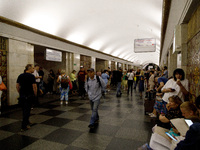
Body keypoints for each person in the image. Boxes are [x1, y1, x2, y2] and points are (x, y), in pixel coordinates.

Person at [16, 64, 37, 131]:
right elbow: (34, 86)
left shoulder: (20, 75)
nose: (34, 69)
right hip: (29, 95)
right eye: (33, 68)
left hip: (22, 95)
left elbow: (17, 86)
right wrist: (35, 94)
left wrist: (20, 92)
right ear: (29, 69)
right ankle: (24, 126)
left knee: (24, 109)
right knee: (27, 110)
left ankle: (27, 121)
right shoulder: (31, 76)